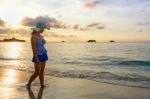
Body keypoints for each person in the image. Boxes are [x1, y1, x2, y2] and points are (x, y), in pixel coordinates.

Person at [27, 22, 50, 88]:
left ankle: (42, 85)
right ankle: (29, 84)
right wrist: (36, 57)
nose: (44, 30)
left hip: (44, 54)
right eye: (43, 28)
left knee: (42, 72)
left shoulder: (41, 36)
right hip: (38, 55)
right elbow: (33, 47)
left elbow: (42, 45)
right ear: (39, 29)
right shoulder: (33, 37)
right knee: (37, 72)